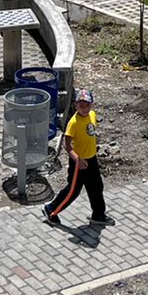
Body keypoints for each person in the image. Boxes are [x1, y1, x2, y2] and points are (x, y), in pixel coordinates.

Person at [40, 88, 112, 228]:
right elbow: (67, 146)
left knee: (96, 187)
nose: (84, 109)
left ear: (92, 105)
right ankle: (51, 210)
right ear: (75, 105)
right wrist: (77, 159)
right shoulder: (73, 123)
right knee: (73, 191)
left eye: (87, 105)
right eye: (81, 106)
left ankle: (98, 215)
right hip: (79, 163)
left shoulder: (92, 115)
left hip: (91, 159)